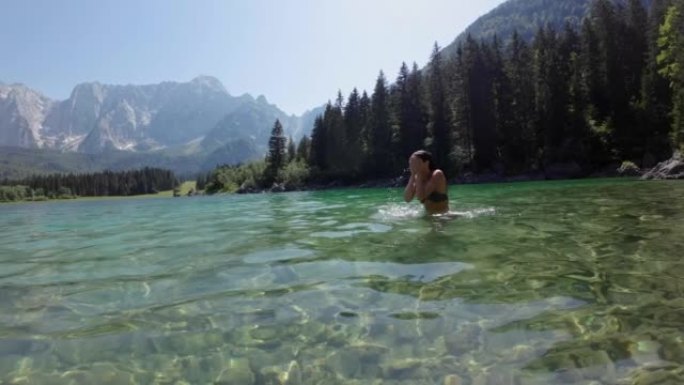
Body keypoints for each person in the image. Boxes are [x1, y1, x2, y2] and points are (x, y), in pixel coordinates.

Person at [404, 150, 449, 214]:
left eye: (414, 162)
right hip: (428, 217)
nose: (411, 165)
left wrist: (418, 173)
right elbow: (407, 199)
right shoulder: (417, 177)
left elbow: (421, 196)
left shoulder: (437, 174)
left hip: (442, 217)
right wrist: (412, 175)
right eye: (410, 162)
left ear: (426, 162)